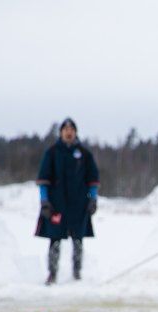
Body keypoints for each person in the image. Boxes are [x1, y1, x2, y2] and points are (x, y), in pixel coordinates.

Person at [36, 118, 99, 285]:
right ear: (61, 132)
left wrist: (93, 199)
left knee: (78, 239)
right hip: (57, 203)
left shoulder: (84, 154)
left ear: (75, 133)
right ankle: (52, 274)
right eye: (66, 130)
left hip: (78, 204)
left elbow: (92, 179)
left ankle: (77, 274)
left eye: (72, 130)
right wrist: (44, 201)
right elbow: (44, 179)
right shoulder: (52, 152)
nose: (69, 132)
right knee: (55, 238)